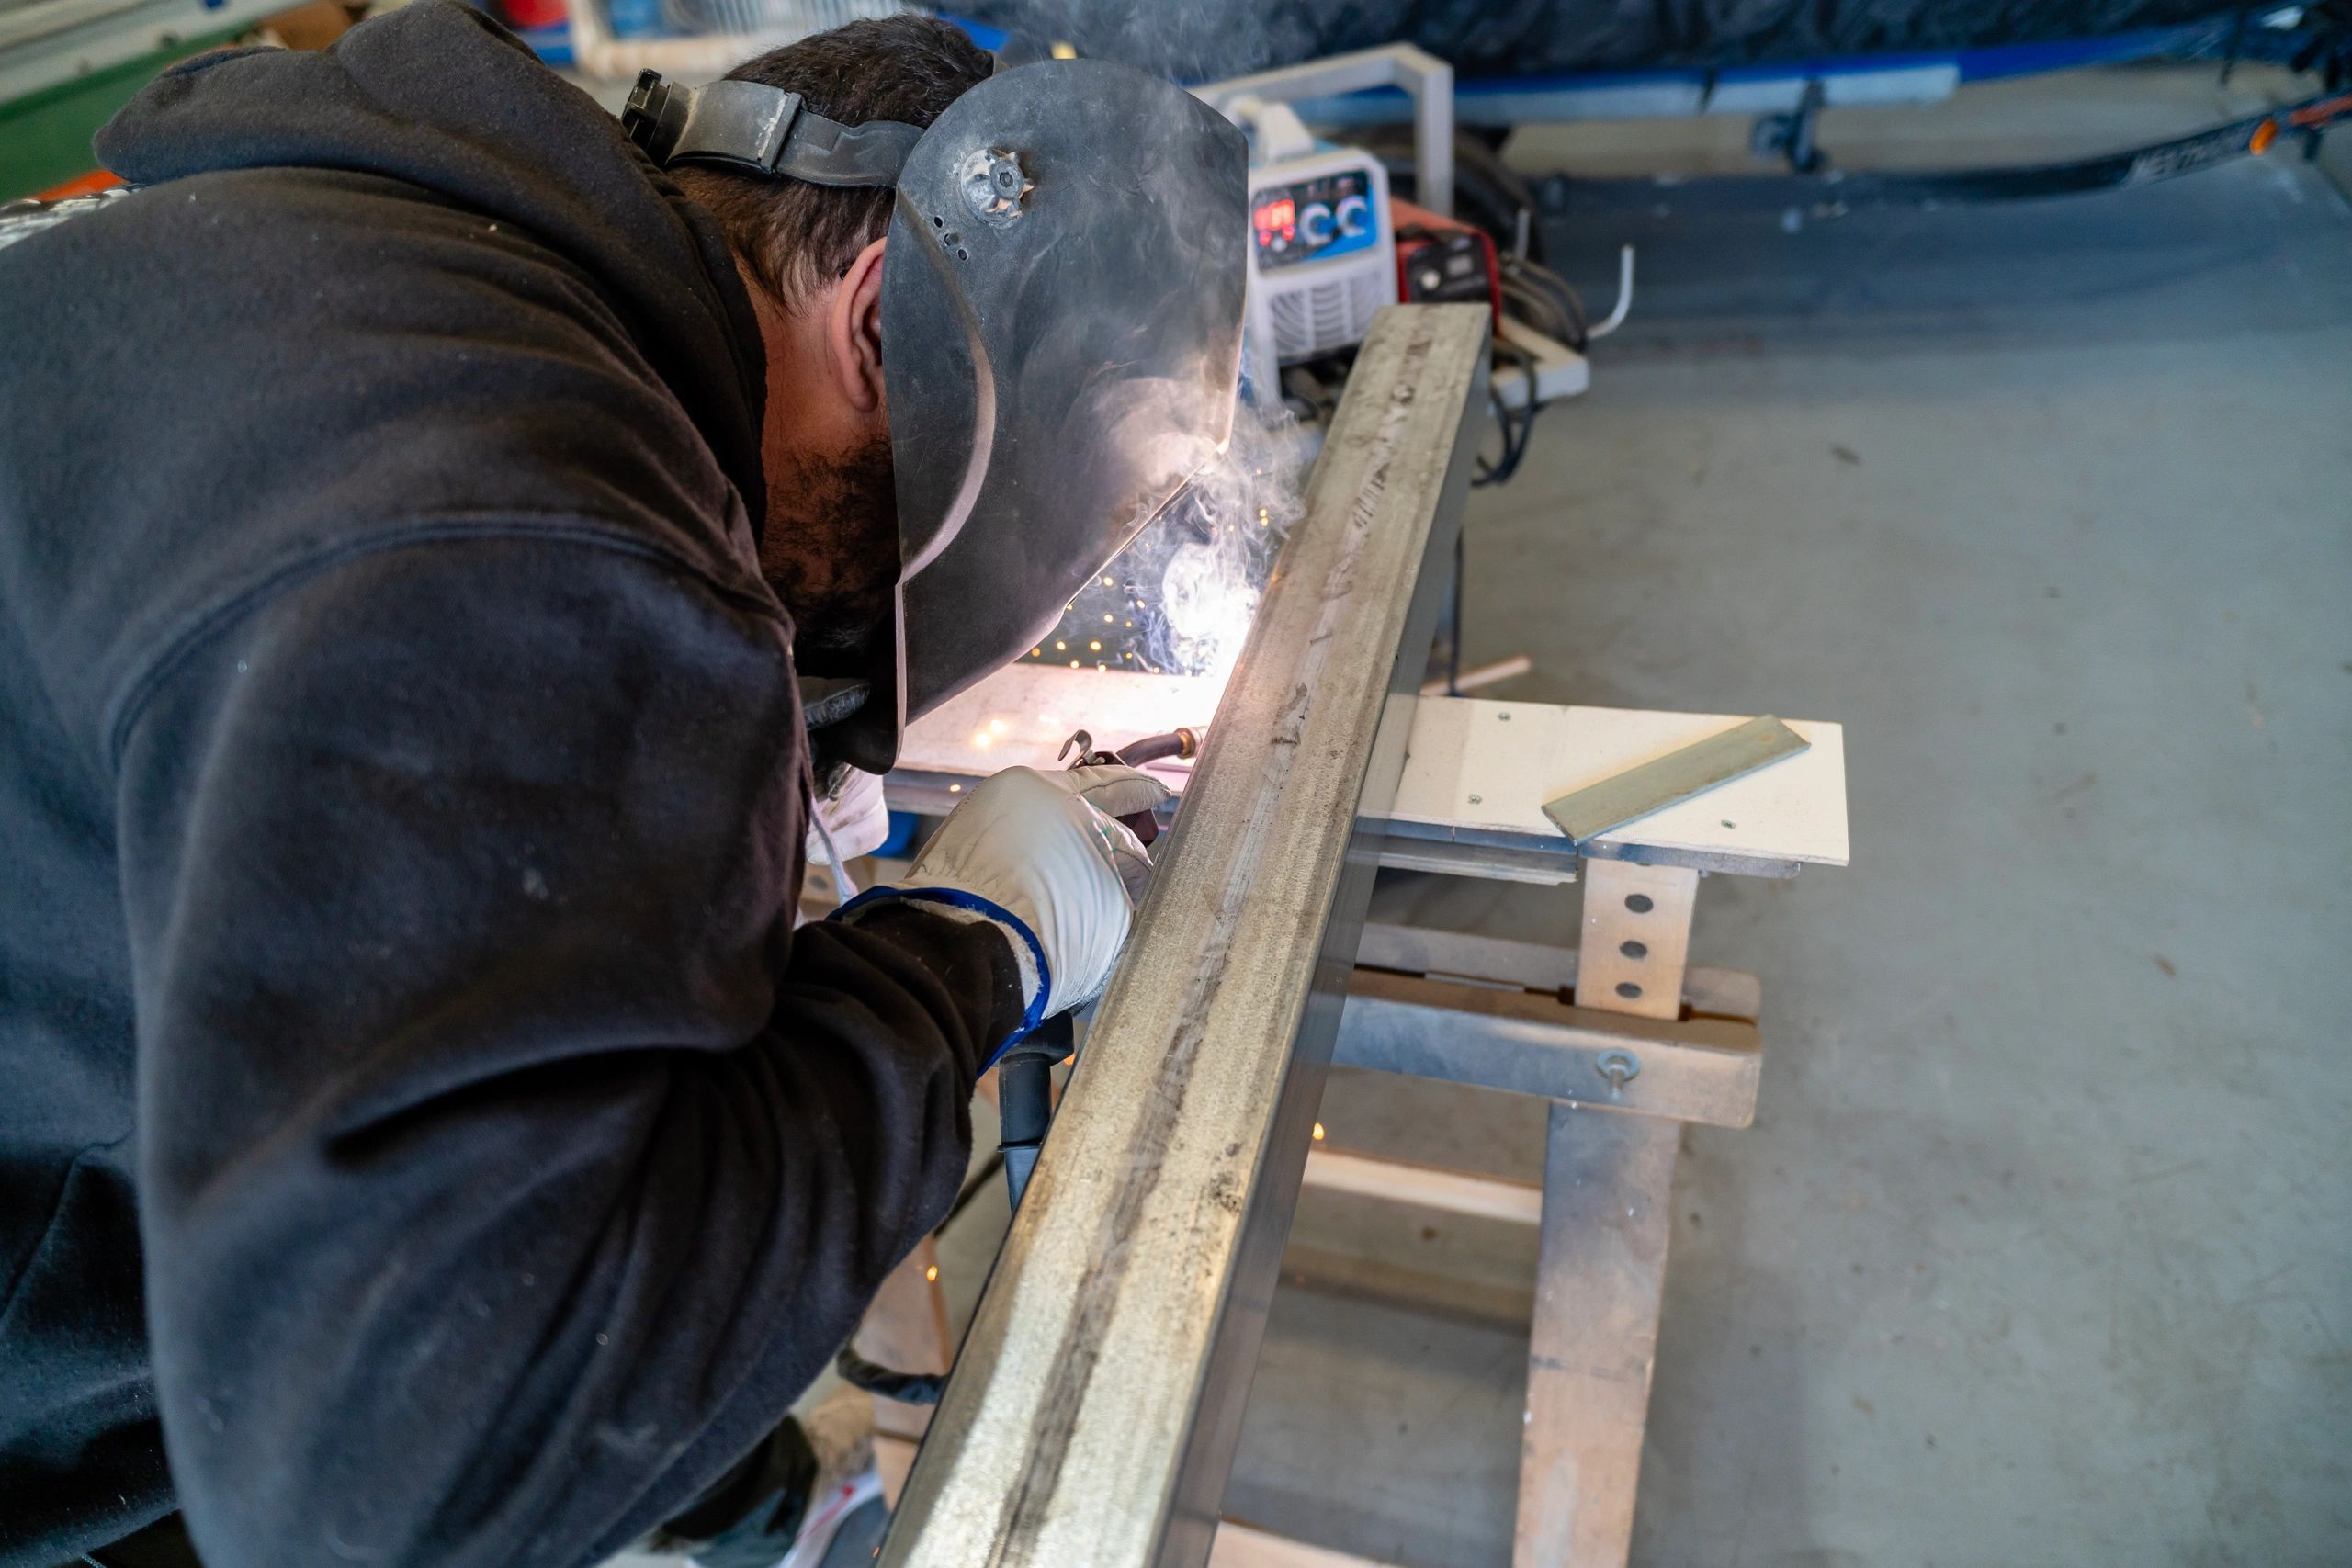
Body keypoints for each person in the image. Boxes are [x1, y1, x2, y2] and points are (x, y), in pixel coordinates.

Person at [0, 6, 1243, 1566]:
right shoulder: (527, 516)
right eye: (865, 603)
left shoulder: (378, 250)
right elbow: (410, 1481)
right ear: (878, 327)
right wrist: (966, 958)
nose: (841, 642)